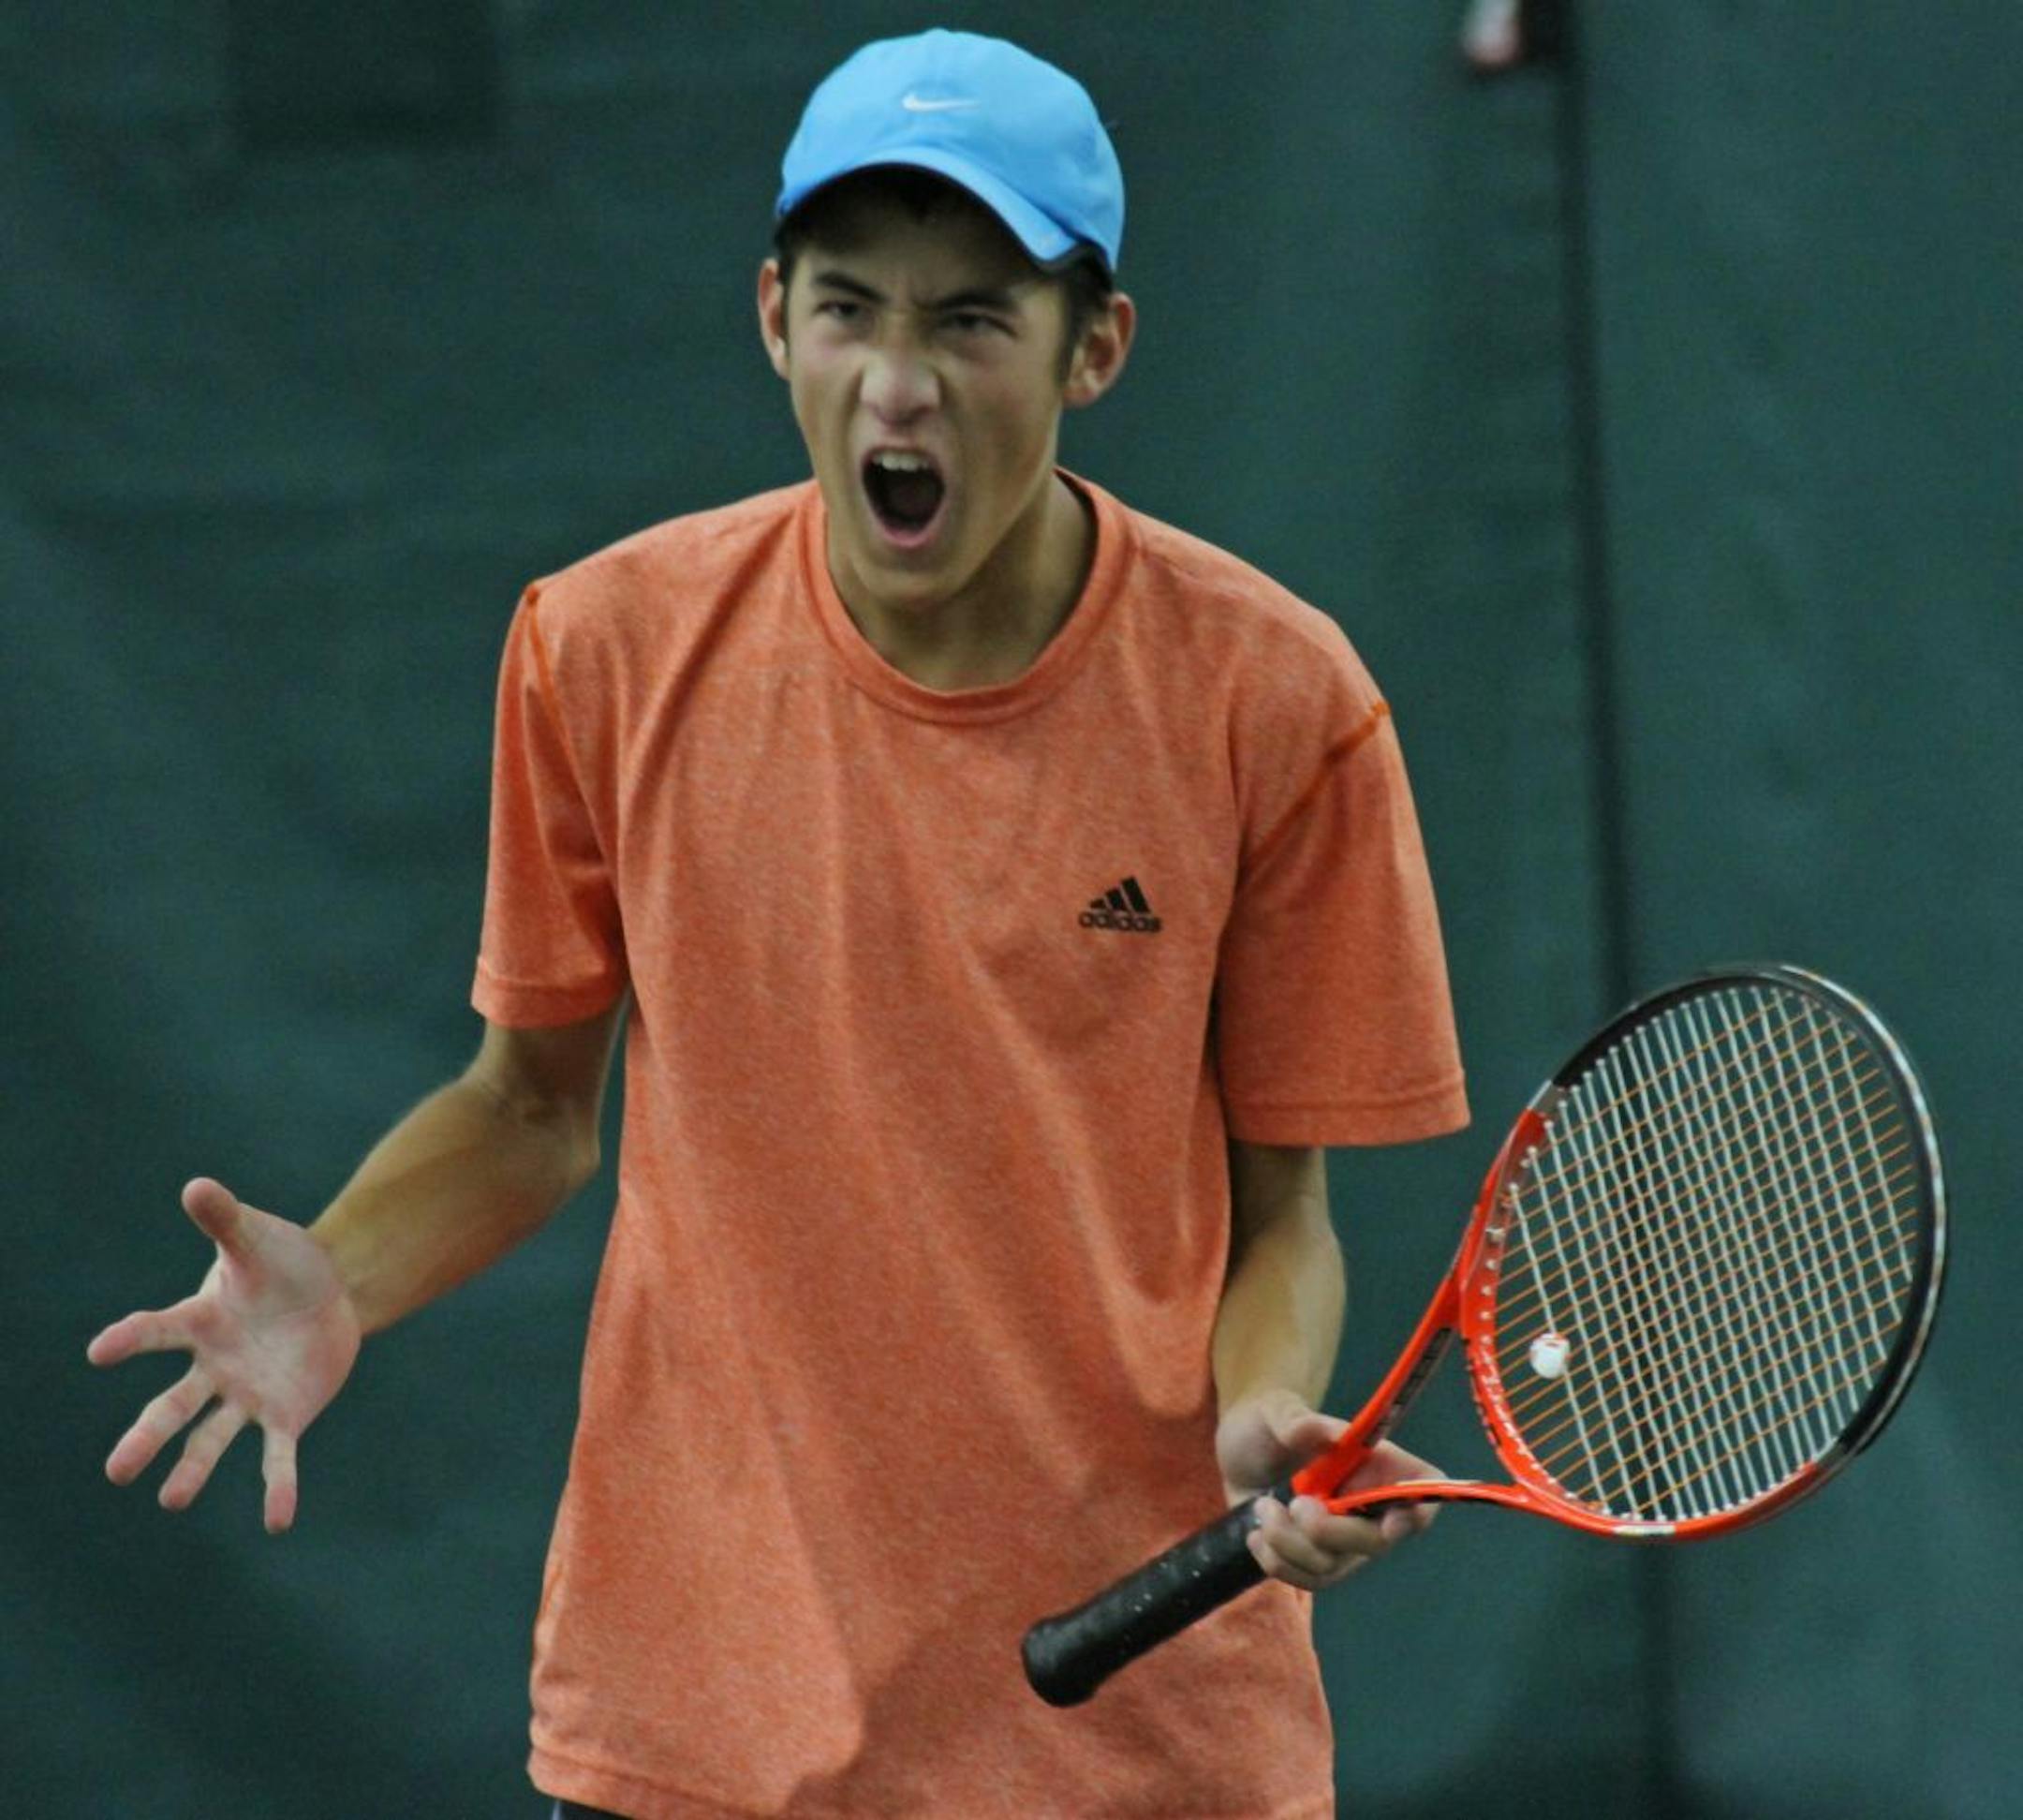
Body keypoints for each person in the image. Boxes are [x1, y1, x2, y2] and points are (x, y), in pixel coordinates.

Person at [88, 28, 1469, 1820]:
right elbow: (526, 1111)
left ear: (1095, 349)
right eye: (848, 311)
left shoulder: (1278, 701)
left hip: (1139, 1734)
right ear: (773, 320)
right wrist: (342, 1274)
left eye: (970, 322)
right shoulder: (600, 651)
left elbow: (1286, 1215)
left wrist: (1262, 1416)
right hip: (697, 1732)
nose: (898, 382)